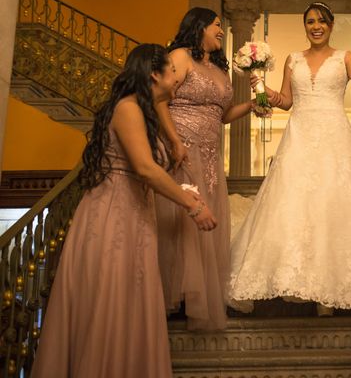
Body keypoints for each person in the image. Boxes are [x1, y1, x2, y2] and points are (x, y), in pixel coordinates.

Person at [31, 44, 216, 378]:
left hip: (135, 214)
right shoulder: (128, 107)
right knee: (110, 303)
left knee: (131, 303)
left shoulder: (143, 112)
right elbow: (144, 168)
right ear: (153, 74)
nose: (177, 80)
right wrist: (192, 204)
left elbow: (149, 168)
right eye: (172, 73)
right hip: (113, 216)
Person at [228, 1, 351, 314]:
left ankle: (330, 290)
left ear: (330, 26)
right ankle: (302, 283)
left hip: (334, 136)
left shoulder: (345, 57)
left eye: (322, 21)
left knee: (331, 205)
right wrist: (261, 86)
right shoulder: (292, 59)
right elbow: (286, 101)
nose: (316, 26)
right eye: (310, 21)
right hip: (298, 135)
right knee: (294, 204)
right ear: (306, 26)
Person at [155, 7, 255, 330]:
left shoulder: (218, 68)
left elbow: (221, 115)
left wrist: (252, 105)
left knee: (206, 221)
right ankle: (175, 298)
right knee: (181, 218)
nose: (221, 31)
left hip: (212, 155)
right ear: (199, 27)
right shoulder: (179, 56)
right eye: (216, 25)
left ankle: (196, 295)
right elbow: (159, 101)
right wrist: (173, 141)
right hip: (182, 149)